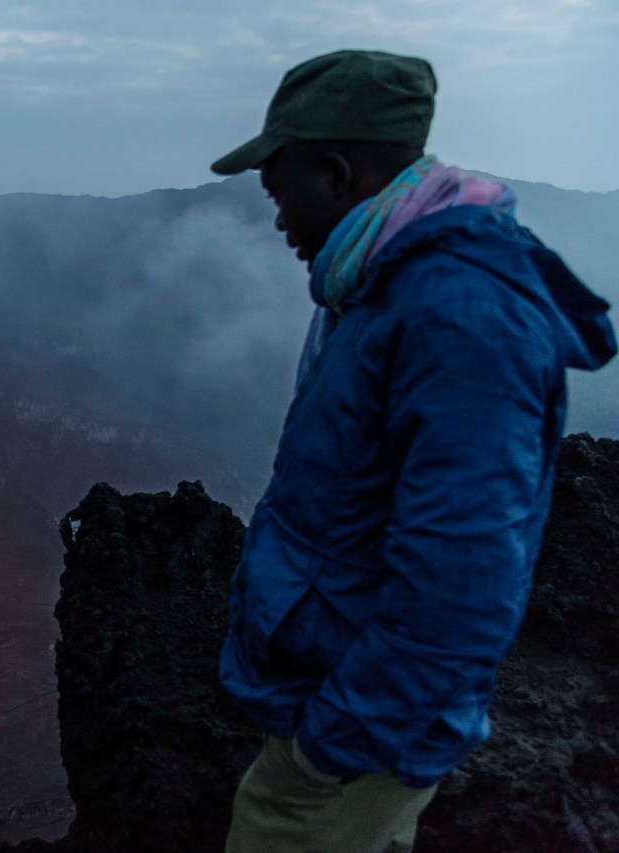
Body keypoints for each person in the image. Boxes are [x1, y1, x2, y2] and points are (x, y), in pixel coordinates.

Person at [209, 49, 617, 852]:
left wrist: (337, 743)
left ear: (333, 174)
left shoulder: (458, 314)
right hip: (335, 704)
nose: (278, 219)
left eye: (278, 191)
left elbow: (463, 576)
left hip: (350, 742)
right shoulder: (388, 287)